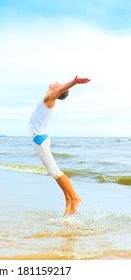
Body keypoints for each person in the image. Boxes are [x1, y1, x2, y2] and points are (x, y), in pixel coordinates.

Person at [28, 76, 90, 216]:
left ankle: (75, 197)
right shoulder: (47, 98)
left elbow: (61, 89)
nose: (58, 83)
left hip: (40, 140)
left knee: (55, 172)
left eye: (59, 85)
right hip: (40, 139)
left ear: (57, 91)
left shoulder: (49, 100)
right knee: (54, 172)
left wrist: (74, 82)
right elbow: (60, 90)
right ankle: (68, 199)